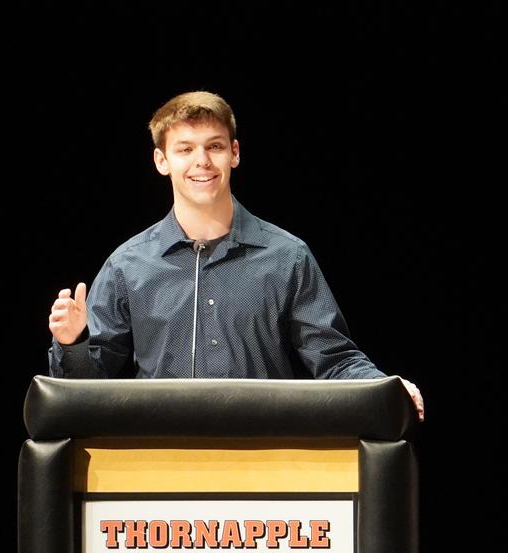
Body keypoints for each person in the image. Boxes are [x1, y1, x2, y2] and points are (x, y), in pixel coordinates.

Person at [48, 91, 424, 420]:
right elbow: (86, 391)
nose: (202, 161)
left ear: (235, 153)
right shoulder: (128, 265)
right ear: (162, 161)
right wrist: (72, 341)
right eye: (185, 149)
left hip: (264, 459)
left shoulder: (286, 256)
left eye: (214, 146)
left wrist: (386, 387)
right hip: (160, 458)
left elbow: (333, 358)